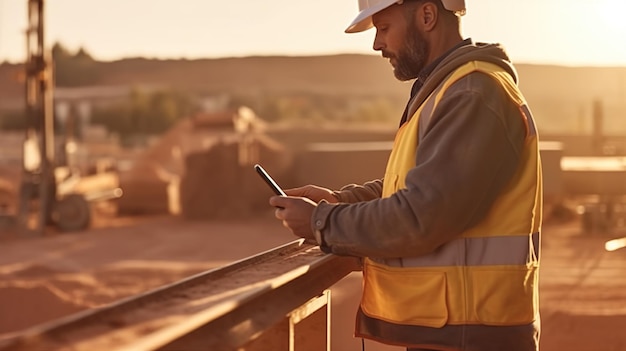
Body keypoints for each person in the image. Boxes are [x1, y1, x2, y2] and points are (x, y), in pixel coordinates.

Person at [268, 0, 542, 350]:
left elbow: (421, 215)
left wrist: (323, 222)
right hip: (457, 328)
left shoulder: (472, 94)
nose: (376, 44)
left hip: (472, 334)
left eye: (383, 28)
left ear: (426, 15)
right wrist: (340, 201)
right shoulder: (449, 90)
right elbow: (420, 185)